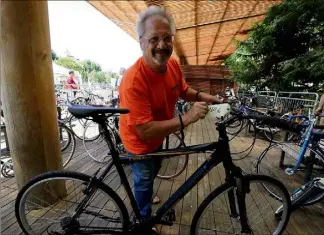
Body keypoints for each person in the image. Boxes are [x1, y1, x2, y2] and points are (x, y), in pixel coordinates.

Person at [118, 6, 223, 228]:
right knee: (145, 177)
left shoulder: (173, 65)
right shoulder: (134, 80)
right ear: (141, 42)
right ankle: (143, 220)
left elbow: (183, 90)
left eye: (167, 38)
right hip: (139, 141)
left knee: (154, 170)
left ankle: (144, 195)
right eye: (154, 38)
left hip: (158, 135)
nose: (162, 45)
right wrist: (187, 118)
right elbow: (144, 130)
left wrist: (207, 96)